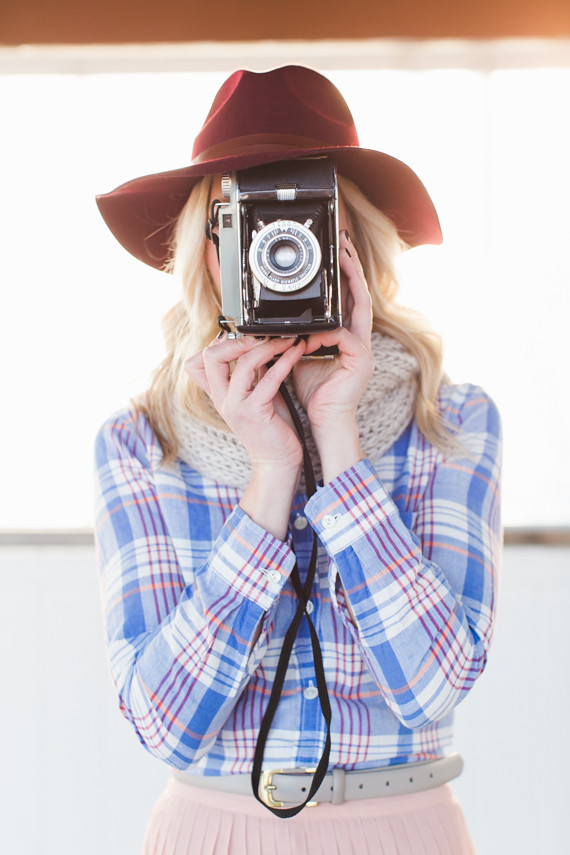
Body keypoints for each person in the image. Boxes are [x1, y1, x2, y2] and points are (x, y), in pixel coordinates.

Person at [94, 65, 501, 855]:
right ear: (205, 250)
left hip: (402, 826)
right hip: (214, 826)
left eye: (306, 218)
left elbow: (432, 687)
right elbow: (164, 723)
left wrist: (338, 438)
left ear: (354, 241)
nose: (280, 249)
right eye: (244, 221)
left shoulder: (452, 421)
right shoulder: (142, 439)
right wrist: (271, 478)